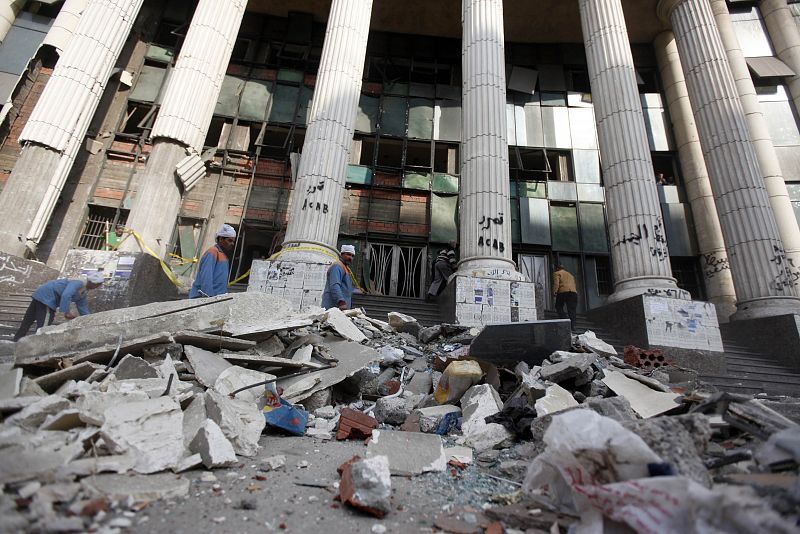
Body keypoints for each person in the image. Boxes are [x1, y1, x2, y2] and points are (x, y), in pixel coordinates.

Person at [14, 272, 105, 341]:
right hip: (47, 297)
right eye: (97, 285)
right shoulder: (79, 282)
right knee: (43, 327)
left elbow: (82, 306)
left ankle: (16, 341)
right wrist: (66, 311)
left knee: (27, 322)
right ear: (92, 282)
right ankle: (37, 348)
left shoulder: (83, 291)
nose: (97, 287)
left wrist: (90, 319)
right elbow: (66, 295)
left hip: (41, 295)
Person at [189, 224, 236, 298]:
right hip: (205, 298)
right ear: (220, 239)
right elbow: (206, 277)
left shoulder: (223, 256)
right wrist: (208, 297)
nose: (232, 244)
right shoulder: (212, 252)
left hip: (216, 298)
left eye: (233, 241)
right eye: (229, 240)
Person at [322, 244, 356, 310]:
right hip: (334, 308)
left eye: (352, 256)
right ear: (341, 254)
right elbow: (335, 285)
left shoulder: (345, 268)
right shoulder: (337, 266)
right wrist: (341, 302)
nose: (350, 258)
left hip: (341, 309)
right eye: (348, 254)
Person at [552, 264, 577, 330]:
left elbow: (556, 283)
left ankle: (565, 320)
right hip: (573, 292)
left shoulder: (556, 273)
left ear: (557, 268)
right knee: (572, 309)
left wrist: (555, 291)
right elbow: (574, 284)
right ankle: (573, 325)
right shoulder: (570, 275)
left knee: (558, 306)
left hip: (563, 291)